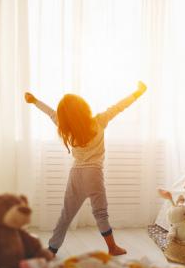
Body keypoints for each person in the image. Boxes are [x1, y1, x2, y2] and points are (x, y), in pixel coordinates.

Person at [24, 81, 147, 255]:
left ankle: (52, 250)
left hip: (76, 173)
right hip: (94, 173)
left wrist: (35, 101)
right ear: (84, 108)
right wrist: (138, 93)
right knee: (100, 212)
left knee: (66, 215)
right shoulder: (99, 121)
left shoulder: (67, 127)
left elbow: (50, 113)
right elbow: (119, 107)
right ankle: (112, 247)